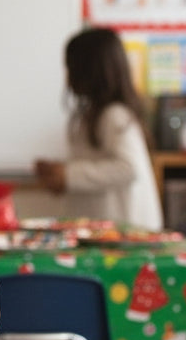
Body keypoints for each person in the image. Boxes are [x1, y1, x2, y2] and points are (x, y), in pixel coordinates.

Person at [35, 26, 163, 230]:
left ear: (90, 70)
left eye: (71, 67)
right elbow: (96, 166)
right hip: (104, 230)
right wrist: (61, 175)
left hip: (126, 234)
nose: (67, 76)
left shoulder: (115, 115)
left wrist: (68, 175)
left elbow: (128, 168)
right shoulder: (93, 115)